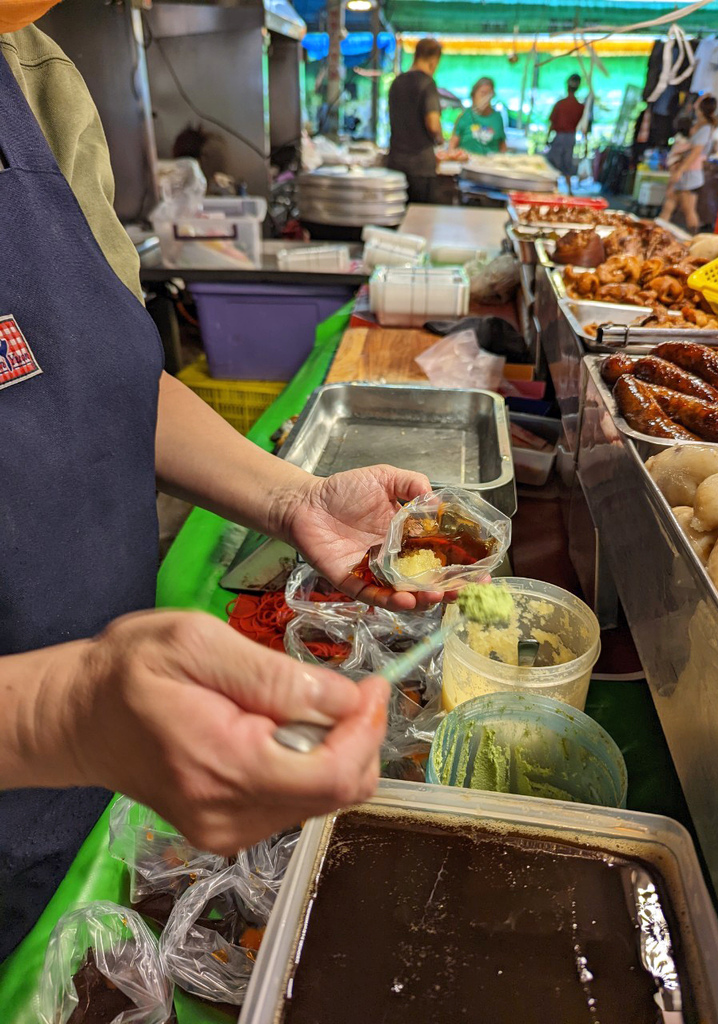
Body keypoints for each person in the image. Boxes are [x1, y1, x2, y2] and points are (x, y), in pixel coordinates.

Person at [0, 6, 444, 962]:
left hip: (101, 781)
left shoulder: (36, 77)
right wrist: (58, 711)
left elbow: (98, 376)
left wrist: (296, 500)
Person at [386, 37, 443, 204]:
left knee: (399, 218)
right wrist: (440, 140)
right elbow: (433, 124)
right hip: (420, 167)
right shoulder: (427, 83)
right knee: (420, 221)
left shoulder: (397, 83)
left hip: (395, 164)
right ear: (434, 60)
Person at [660, 94, 718, 232]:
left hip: (689, 173)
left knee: (688, 210)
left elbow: (695, 153)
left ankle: (694, 239)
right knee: (670, 202)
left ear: (701, 108)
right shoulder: (700, 126)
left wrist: (679, 171)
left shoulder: (706, 128)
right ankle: (658, 230)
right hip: (686, 171)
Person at [546, 74, 585, 194]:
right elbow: (584, 126)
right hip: (571, 138)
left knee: (554, 163)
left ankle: (555, 189)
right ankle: (569, 190)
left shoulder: (561, 104)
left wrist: (547, 138)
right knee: (567, 163)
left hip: (560, 137)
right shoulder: (580, 106)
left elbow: (552, 123)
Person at [449, 77, 507, 156]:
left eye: (489, 94)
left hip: (490, 164)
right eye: (483, 93)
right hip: (468, 163)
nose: (486, 98)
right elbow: (452, 145)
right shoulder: (465, 116)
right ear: (473, 96)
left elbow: (502, 145)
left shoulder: (497, 118)